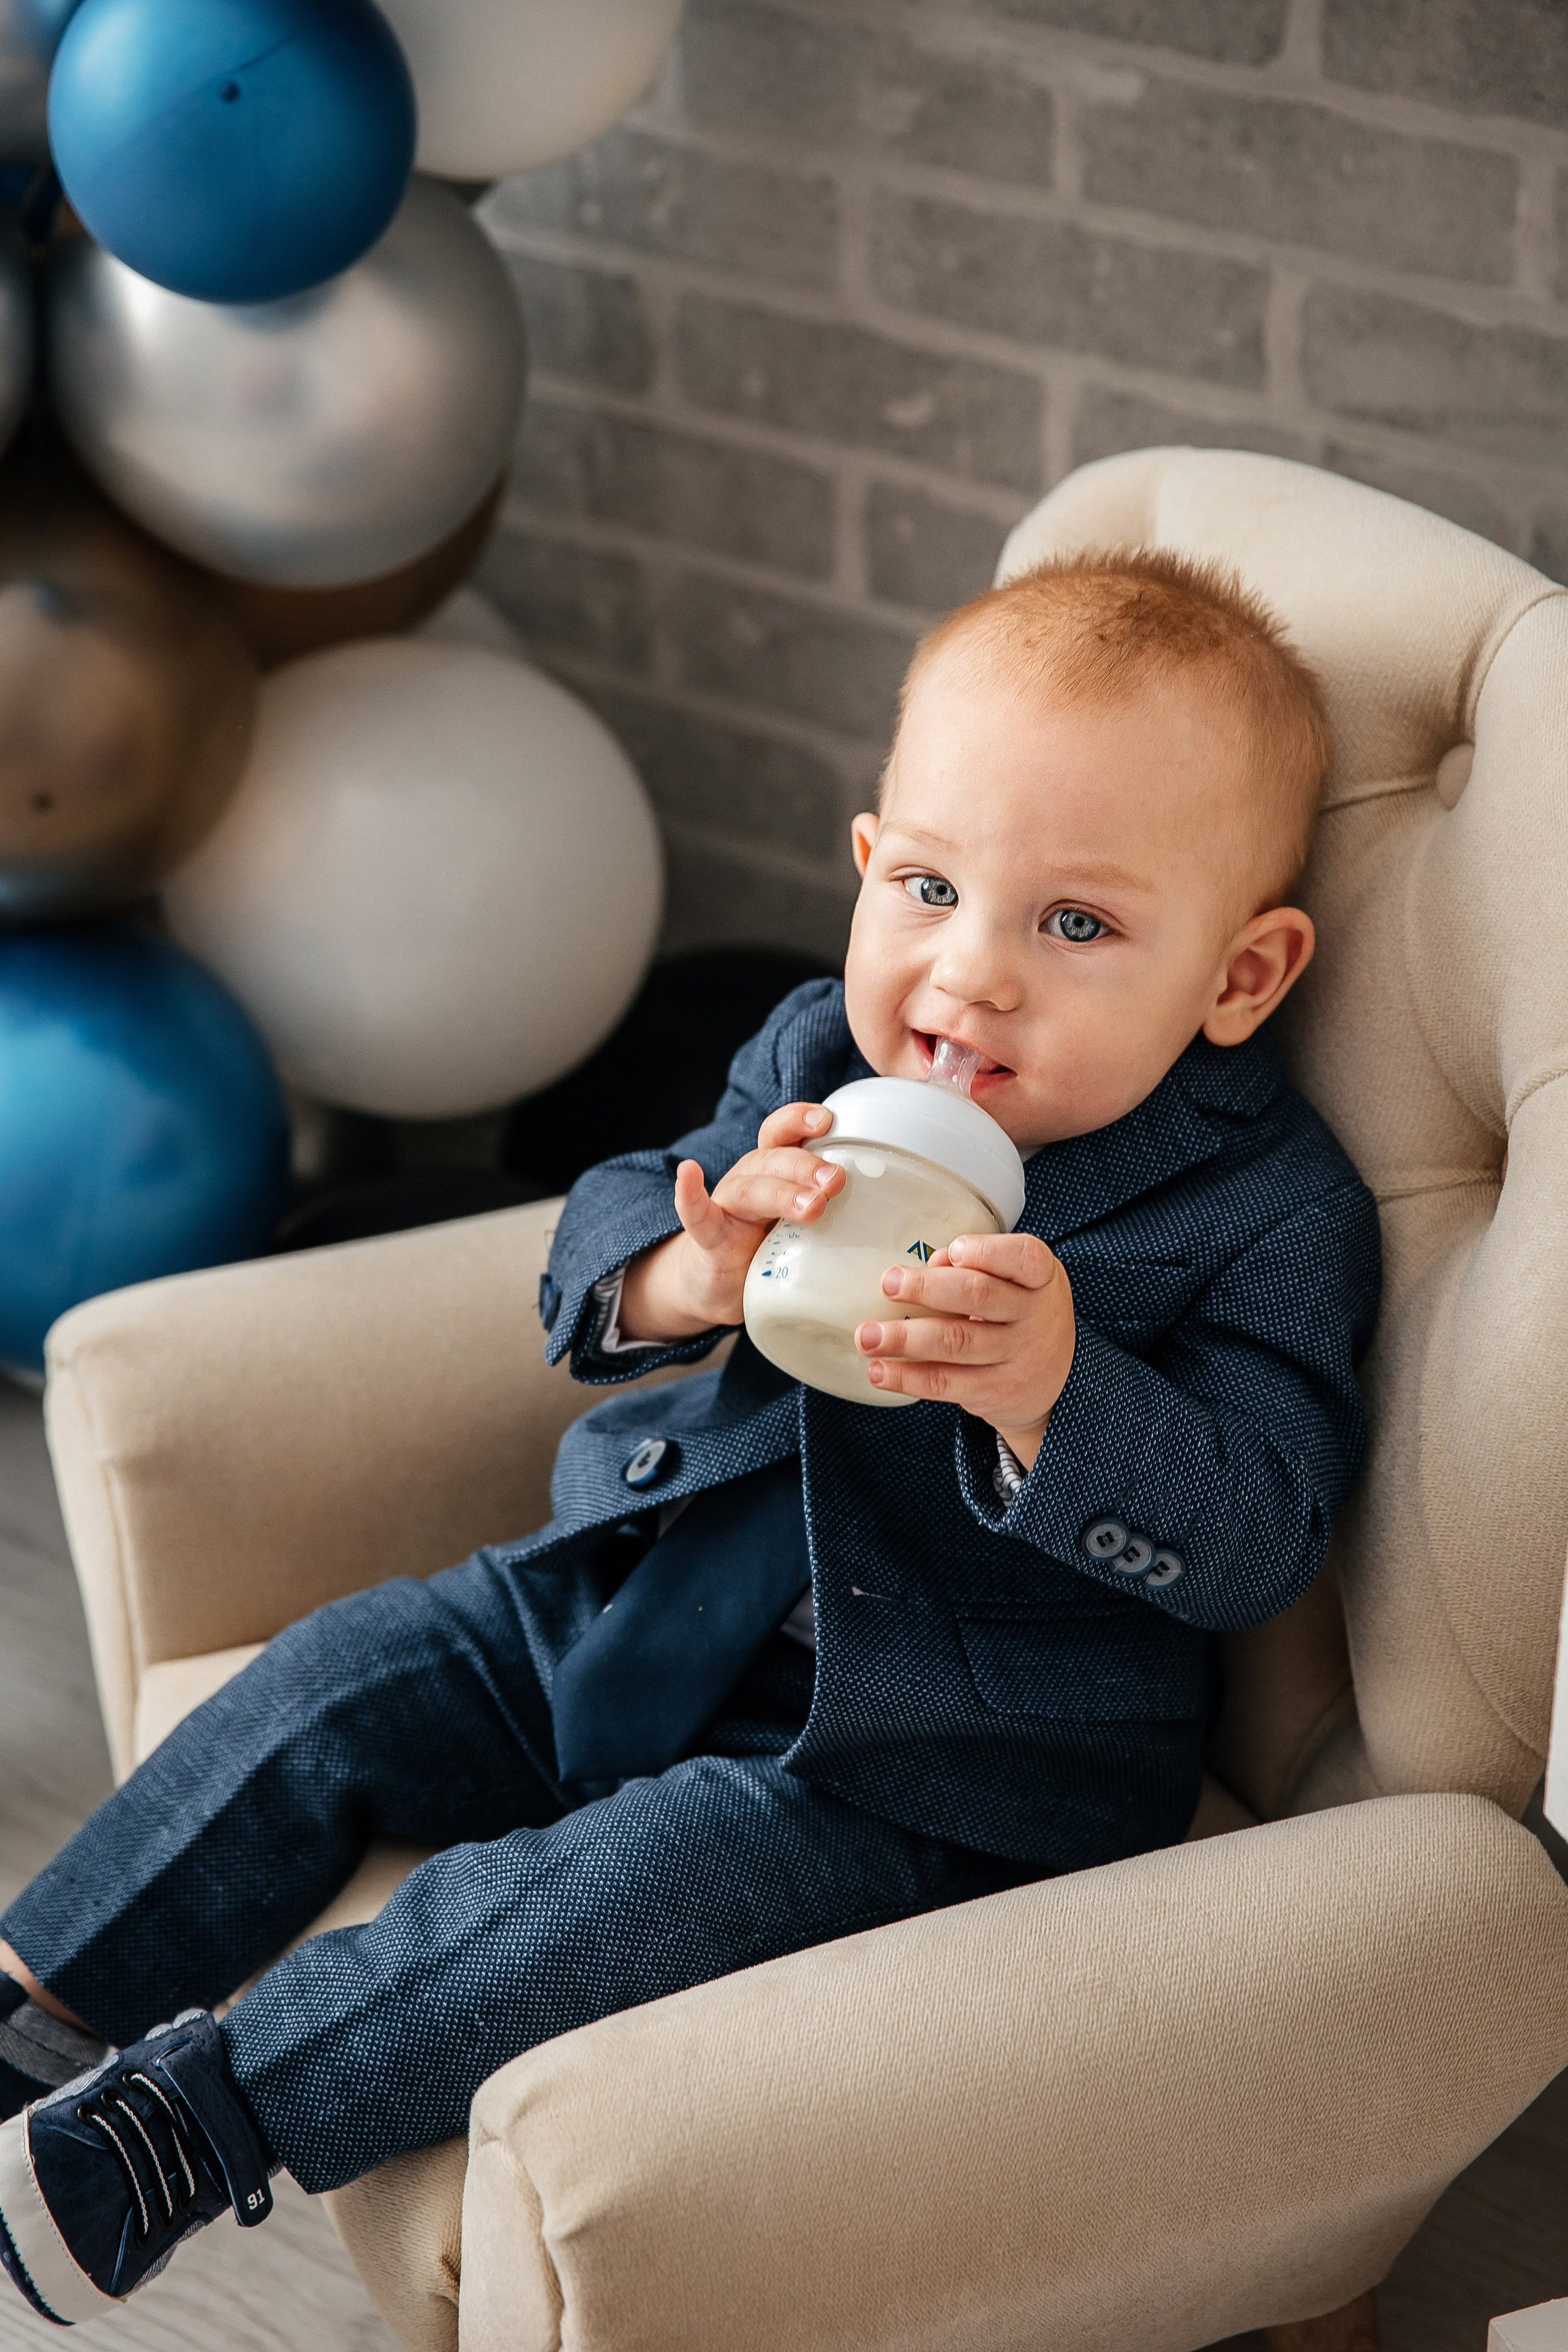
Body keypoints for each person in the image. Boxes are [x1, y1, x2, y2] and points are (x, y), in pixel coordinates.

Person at [0, 550, 1380, 2324]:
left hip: (918, 1761)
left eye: (1078, 926)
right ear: (870, 864)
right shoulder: (817, 1044)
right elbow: (596, 1237)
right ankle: (43, 1997)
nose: (971, 978)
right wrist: (686, 1266)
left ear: (1244, 976)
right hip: (635, 1584)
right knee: (342, 1677)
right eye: (936, 889)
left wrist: (1055, 1393)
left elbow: (1264, 1526)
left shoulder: (1268, 1211)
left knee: (622, 1889)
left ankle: (190, 2131)